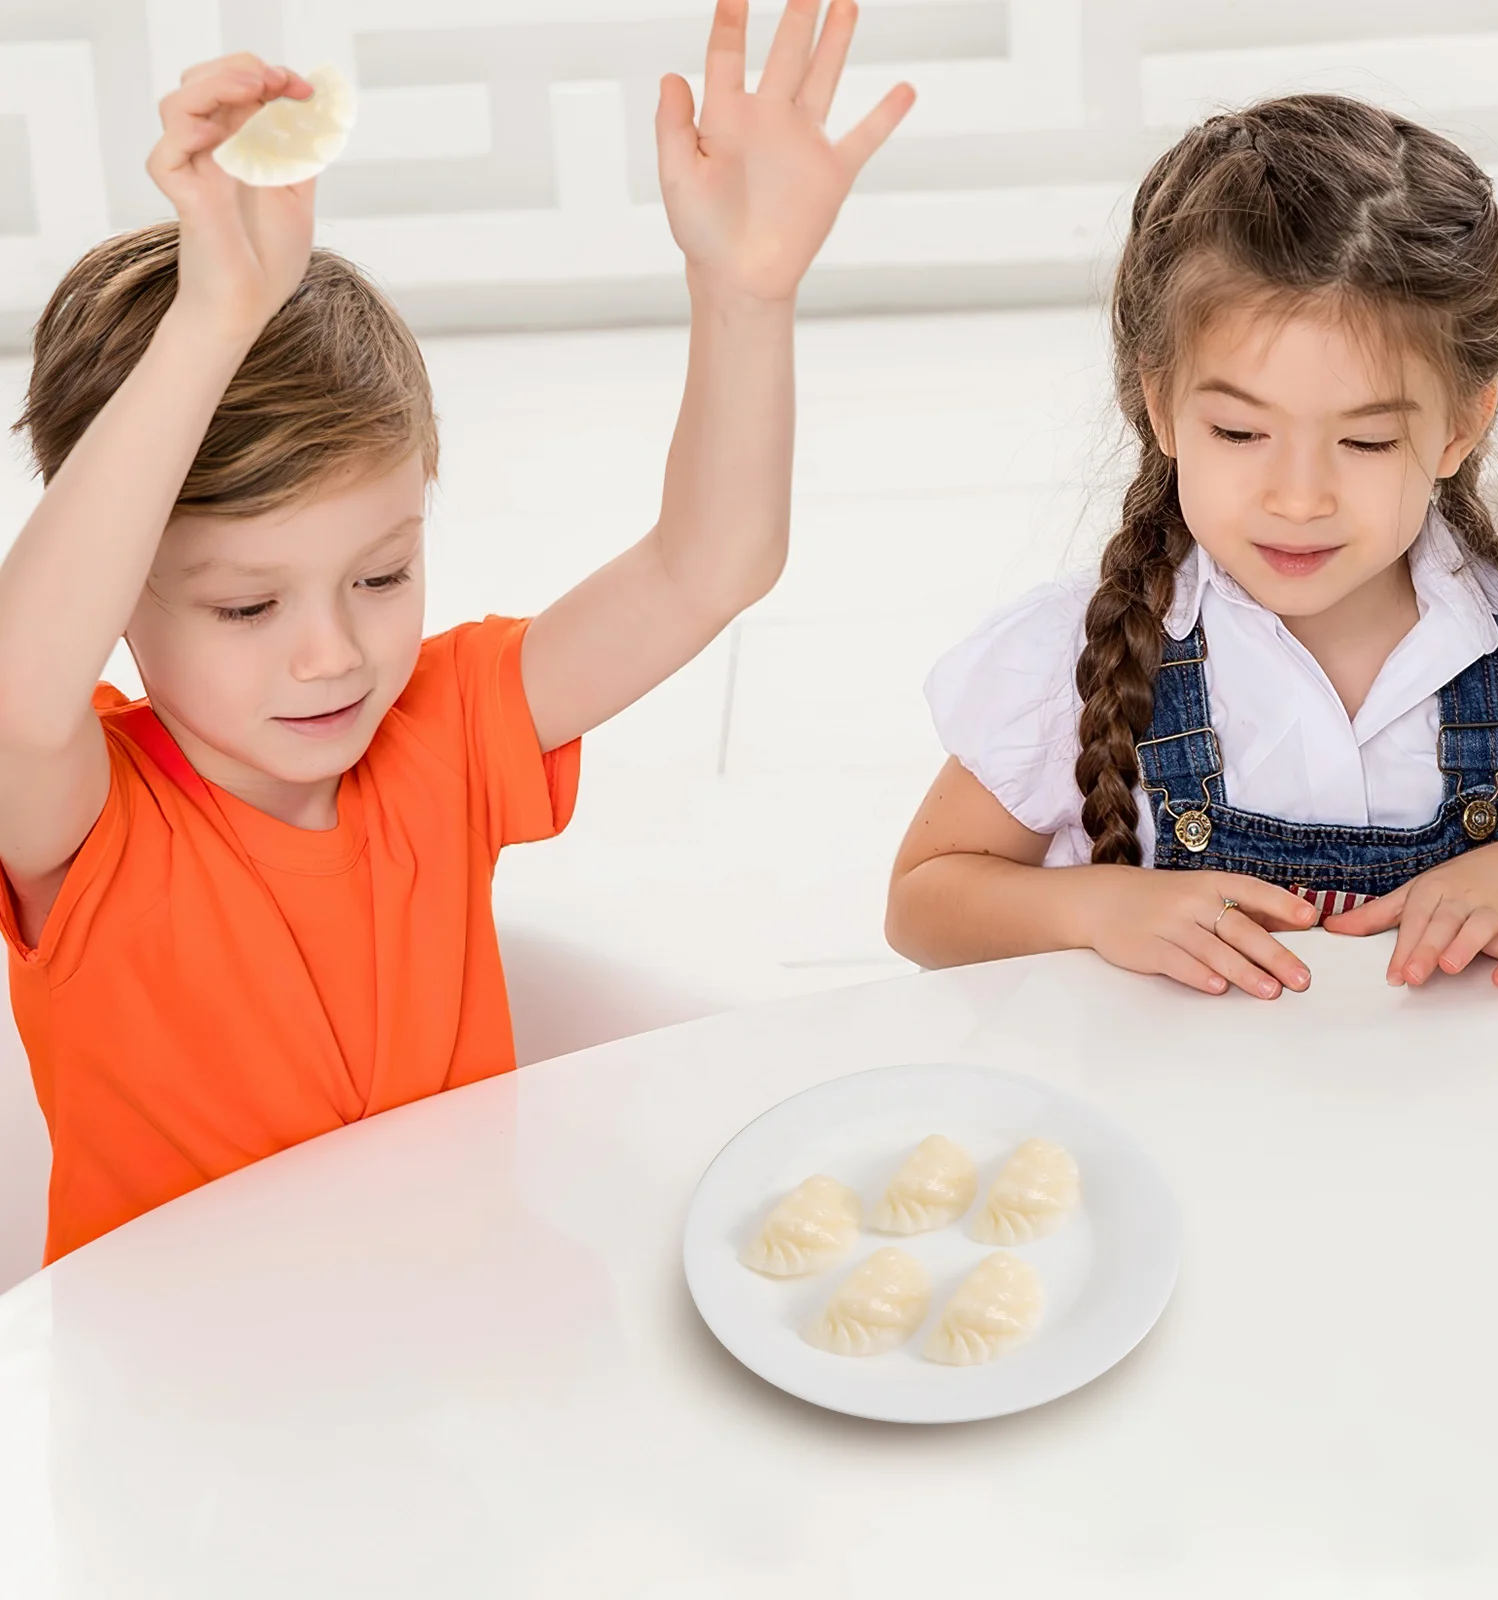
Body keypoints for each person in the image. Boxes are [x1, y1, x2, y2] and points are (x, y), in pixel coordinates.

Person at [0, 0, 914, 1263]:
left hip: (454, 1358)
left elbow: (710, 565)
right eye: (248, 606)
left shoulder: (445, 724)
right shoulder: (83, 825)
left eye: (381, 576)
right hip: (187, 1427)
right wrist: (212, 316)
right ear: (117, 598)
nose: (332, 655)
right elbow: (15, 694)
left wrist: (745, 294)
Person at [887, 95, 1498, 1000]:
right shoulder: (1077, 657)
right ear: (1161, 405)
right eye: (1238, 433)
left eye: (1366, 441)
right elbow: (920, 903)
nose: (1298, 498)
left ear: (1462, 423)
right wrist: (1098, 908)